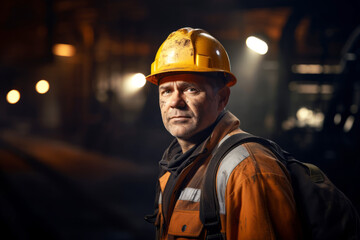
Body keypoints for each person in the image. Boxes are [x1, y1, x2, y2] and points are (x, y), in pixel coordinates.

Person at [145, 27, 302, 239]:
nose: (175, 102)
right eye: (166, 91)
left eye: (191, 89)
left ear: (222, 98)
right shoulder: (175, 165)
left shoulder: (248, 170)